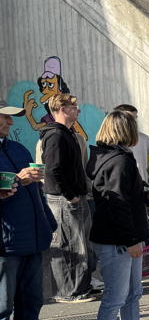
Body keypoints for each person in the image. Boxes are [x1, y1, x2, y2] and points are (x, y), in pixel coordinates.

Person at [86, 110, 149, 320]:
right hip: (119, 240)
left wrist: (145, 194)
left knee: (131, 295)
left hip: (118, 237)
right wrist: (132, 239)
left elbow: (124, 196)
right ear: (126, 131)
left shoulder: (110, 157)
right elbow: (118, 204)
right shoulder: (120, 161)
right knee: (117, 297)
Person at [0, 103, 62, 320]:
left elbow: (34, 190)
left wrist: (48, 222)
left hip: (32, 238)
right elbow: (12, 185)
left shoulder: (17, 148)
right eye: (3, 117)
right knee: (1, 310)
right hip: (5, 243)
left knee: (30, 304)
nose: (9, 121)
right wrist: (16, 180)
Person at [39, 92, 95, 302]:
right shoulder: (56, 135)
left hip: (73, 197)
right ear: (62, 109)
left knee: (79, 243)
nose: (78, 111)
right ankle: (69, 291)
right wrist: (69, 195)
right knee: (69, 245)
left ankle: (81, 286)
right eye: (74, 107)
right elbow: (52, 169)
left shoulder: (67, 133)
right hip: (63, 200)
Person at [114, 104, 149, 202]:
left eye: (134, 119)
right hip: (119, 195)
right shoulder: (111, 141)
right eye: (129, 118)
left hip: (143, 193)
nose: (133, 122)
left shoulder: (144, 139)